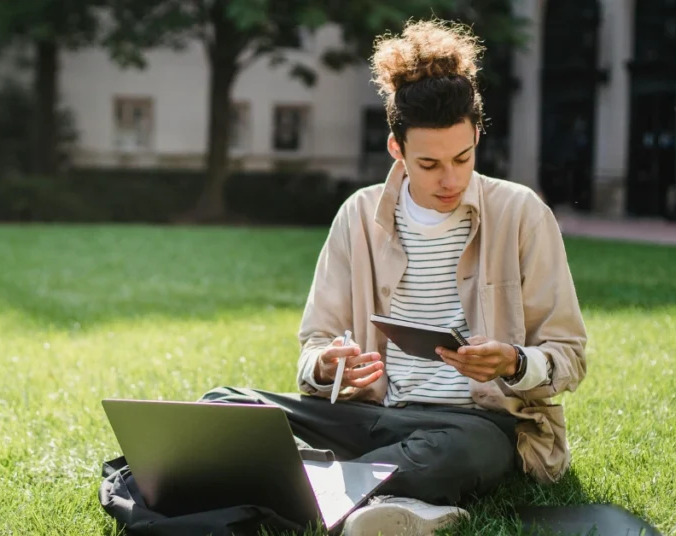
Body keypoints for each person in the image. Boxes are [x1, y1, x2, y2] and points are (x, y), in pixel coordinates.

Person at [202, 19, 587, 536]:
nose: (450, 179)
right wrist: (326, 366)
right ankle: (388, 498)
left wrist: (515, 362)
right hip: (375, 414)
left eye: (463, 158)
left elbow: (570, 355)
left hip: (475, 425)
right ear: (396, 149)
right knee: (223, 407)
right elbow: (314, 345)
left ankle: (299, 482)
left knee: (458, 452)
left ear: (476, 135)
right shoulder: (358, 216)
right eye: (428, 163)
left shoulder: (522, 214)